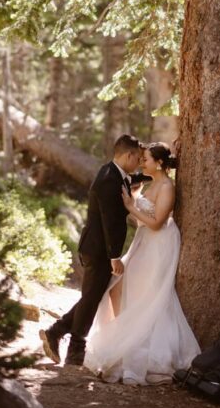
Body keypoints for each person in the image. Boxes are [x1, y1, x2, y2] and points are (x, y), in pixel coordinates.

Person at [83, 142, 200, 384]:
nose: (141, 163)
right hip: (144, 240)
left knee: (147, 293)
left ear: (158, 163)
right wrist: (135, 201)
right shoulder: (150, 183)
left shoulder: (167, 186)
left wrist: (130, 206)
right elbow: (143, 222)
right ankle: (127, 336)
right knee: (118, 285)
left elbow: (157, 222)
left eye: (145, 160)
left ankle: (134, 342)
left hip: (159, 244)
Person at [40, 134, 144, 366]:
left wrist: (158, 169)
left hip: (97, 247)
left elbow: (134, 178)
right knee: (91, 298)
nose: (138, 162)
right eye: (137, 157)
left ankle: (56, 332)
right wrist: (114, 256)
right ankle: (75, 349)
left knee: (92, 296)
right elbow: (110, 222)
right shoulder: (109, 179)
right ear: (128, 155)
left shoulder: (115, 173)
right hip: (98, 249)